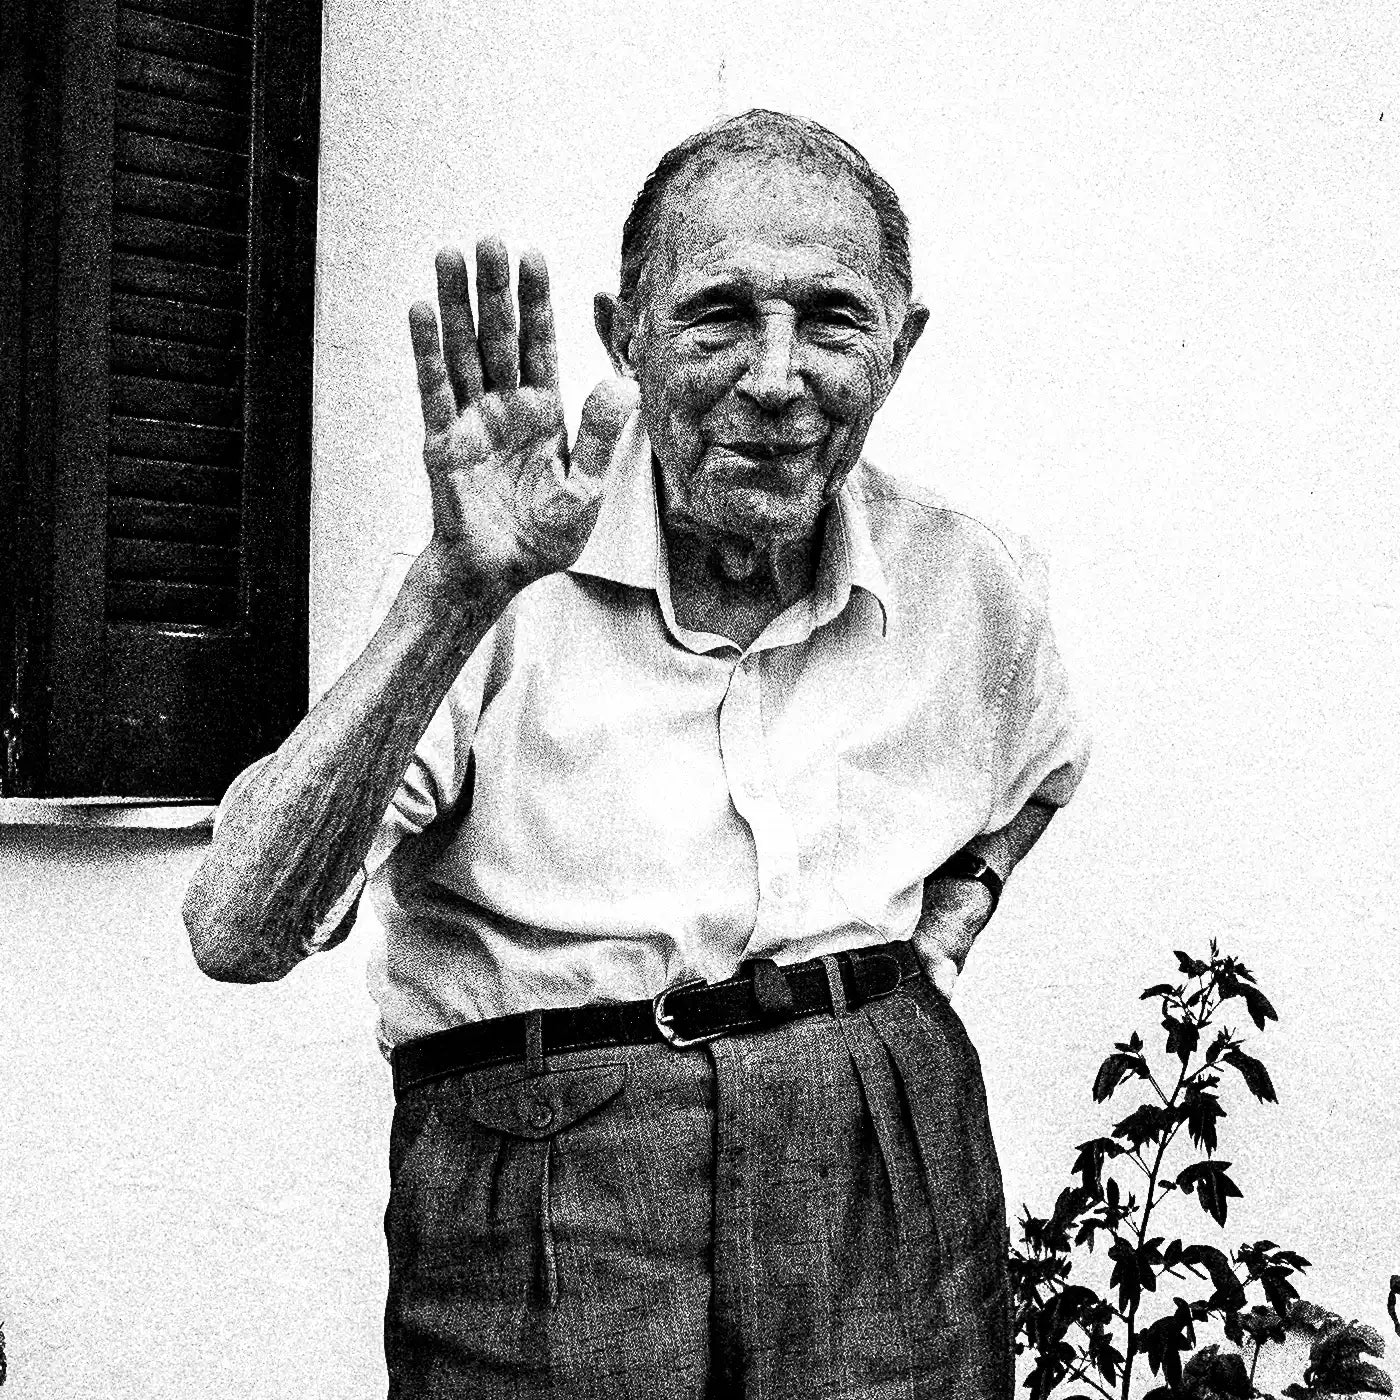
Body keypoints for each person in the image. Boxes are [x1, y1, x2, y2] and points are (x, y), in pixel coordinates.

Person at [184, 109, 1089, 1399]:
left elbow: (1047, 763)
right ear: (629, 339)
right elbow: (237, 928)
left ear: (901, 347)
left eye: (833, 318)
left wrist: (963, 905)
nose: (777, 375)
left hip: (883, 1158)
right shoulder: (501, 585)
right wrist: (451, 593)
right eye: (719, 314)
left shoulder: (967, 578)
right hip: (550, 1175)